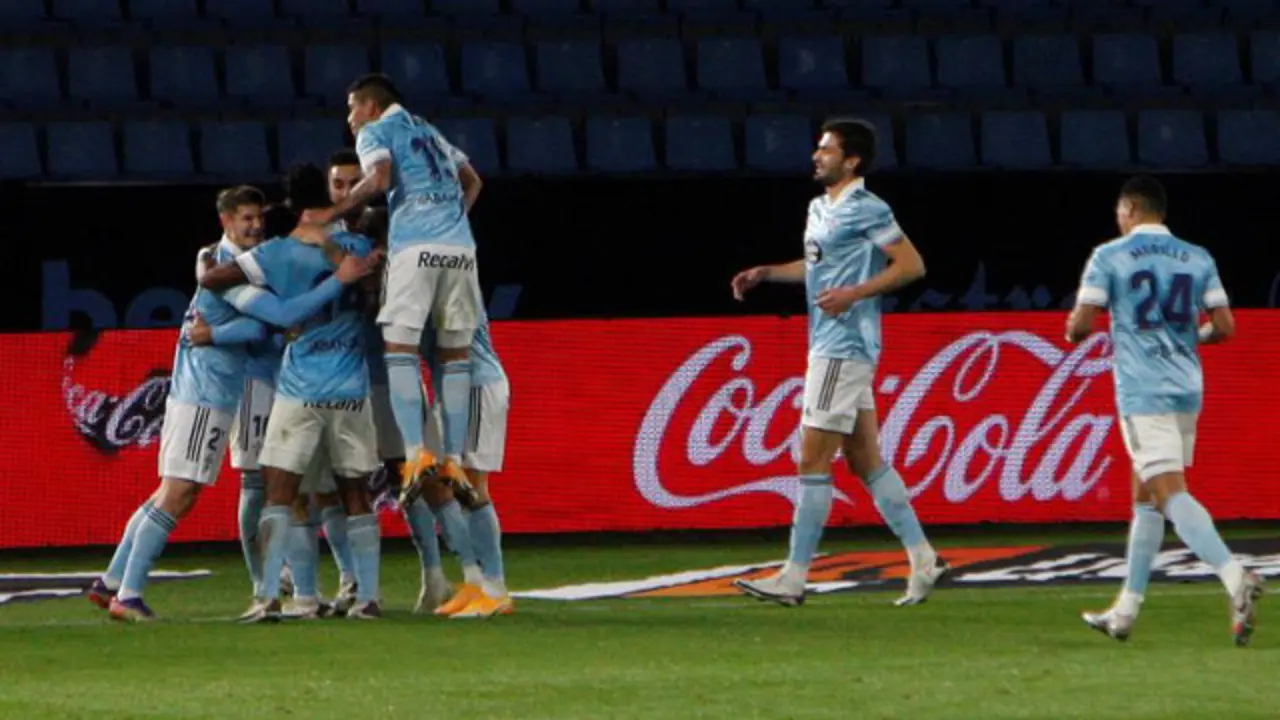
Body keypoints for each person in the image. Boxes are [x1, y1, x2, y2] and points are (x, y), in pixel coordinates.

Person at [86, 187, 360, 622]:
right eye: (245, 218)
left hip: (218, 389)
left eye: (258, 218)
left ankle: (114, 581)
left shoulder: (246, 261)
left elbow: (264, 325)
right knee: (181, 492)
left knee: (172, 490)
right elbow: (271, 321)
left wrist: (229, 331)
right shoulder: (220, 266)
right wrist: (335, 285)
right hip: (205, 393)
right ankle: (130, 595)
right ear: (226, 221)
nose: (254, 226)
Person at [728, 118, 949, 608]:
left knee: (811, 459)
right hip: (830, 345)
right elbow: (817, 268)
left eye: (826, 150)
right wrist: (768, 272)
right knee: (864, 459)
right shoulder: (819, 208)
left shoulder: (867, 208)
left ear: (851, 160)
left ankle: (793, 576)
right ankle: (923, 557)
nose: (816, 156)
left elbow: (911, 265)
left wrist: (855, 293)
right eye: (818, 148)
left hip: (842, 348)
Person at [1069, 175, 1264, 645]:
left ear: (1131, 208)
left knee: (1169, 492)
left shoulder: (1109, 256)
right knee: (1147, 498)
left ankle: (1234, 574)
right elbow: (1224, 327)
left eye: (1120, 211)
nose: (1118, 219)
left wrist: (1075, 329)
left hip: (1143, 390)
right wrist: (1187, 339)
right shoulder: (1197, 256)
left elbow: (1082, 324)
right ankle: (1125, 611)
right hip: (1186, 387)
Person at [200, 165, 385, 622]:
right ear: (328, 194)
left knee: (281, 495)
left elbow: (213, 280)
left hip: (299, 388)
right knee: (355, 494)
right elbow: (372, 298)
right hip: (349, 387)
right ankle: (368, 598)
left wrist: (231, 281)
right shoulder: (358, 248)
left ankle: (268, 597)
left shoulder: (274, 254)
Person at [308, 73, 482, 510]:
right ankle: (455, 460)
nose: (349, 118)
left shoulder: (376, 130)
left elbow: (380, 178)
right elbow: (474, 182)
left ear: (370, 105)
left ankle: (416, 454)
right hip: (460, 248)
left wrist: (337, 208)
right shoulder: (430, 131)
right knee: (454, 355)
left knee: (399, 349)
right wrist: (449, 219)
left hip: (415, 247)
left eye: (351, 108)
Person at [418, 311, 513, 618]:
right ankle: (475, 583)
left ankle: (495, 588)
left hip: (474, 384)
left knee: (469, 486)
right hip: (451, 389)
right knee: (439, 482)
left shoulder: (451, 281)